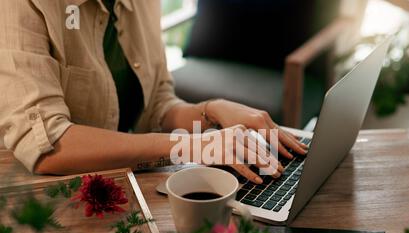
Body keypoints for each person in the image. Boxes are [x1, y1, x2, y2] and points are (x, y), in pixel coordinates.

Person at [0, 0, 307, 184]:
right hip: (39, 200)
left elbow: (157, 104)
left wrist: (211, 110)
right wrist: (190, 147)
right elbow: (48, 145)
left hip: (120, 186)